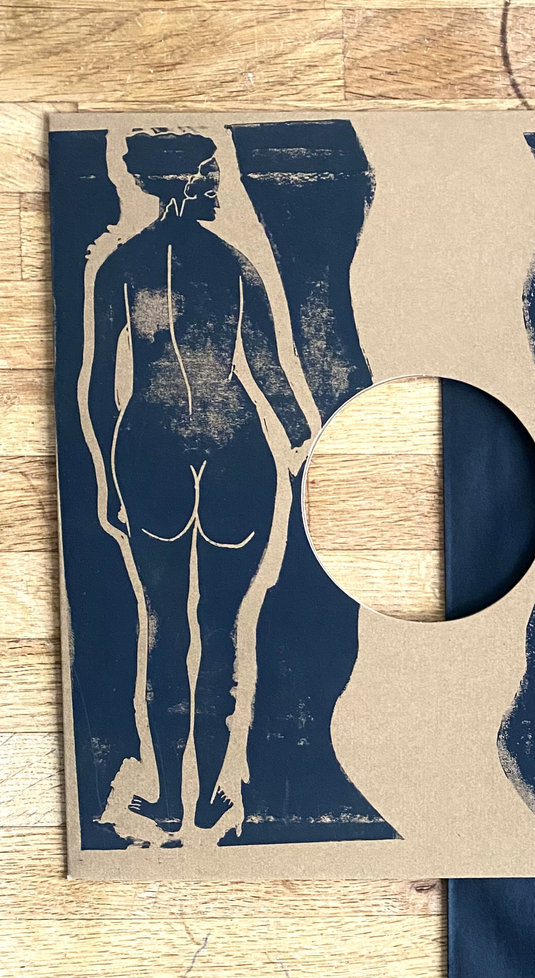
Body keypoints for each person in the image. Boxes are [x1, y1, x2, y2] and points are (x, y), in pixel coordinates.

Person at [86, 131, 311, 832]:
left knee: (164, 628)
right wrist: (308, 443)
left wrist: (109, 481)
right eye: (211, 175)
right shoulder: (235, 264)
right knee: (221, 628)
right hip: (237, 451)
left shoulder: (121, 267)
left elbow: (99, 392)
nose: (220, 186)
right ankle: (210, 793)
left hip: (148, 451)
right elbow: (269, 371)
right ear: (183, 180)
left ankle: (170, 800)